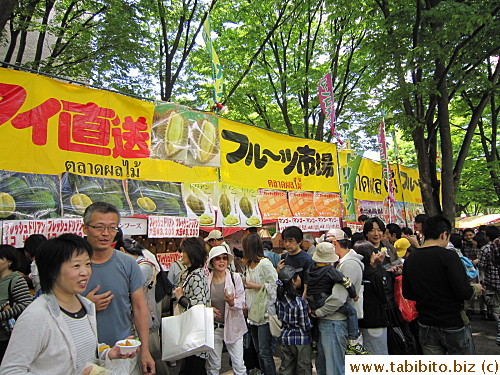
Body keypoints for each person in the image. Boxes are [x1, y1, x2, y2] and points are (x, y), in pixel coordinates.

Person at [0, 234, 136, 375]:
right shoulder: (36, 316)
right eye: (76, 265)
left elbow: (83, 351)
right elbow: (10, 371)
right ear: (52, 270)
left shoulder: (87, 306)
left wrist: (108, 354)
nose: (85, 272)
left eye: (88, 264)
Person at [82, 202, 155, 375]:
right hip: (83, 354)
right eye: (99, 227)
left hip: (123, 352)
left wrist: (145, 351)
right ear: (85, 228)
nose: (106, 233)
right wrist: (86, 304)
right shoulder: (72, 264)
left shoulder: (128, 263)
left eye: (112, 228)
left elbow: (139, 308)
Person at [402, 216, 483, 354]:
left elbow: (408, 293)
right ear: (444, 234)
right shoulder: (449, 256)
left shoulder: (411, 259)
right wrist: (476, 288)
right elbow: (464, 291)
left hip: (426, 323)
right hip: (453, 323)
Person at [306, 241, 368, 355]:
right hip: (324, 300)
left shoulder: (311, 269)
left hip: (313, 301)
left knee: (315, 322)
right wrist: (354, 294)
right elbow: (345, 282)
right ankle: (353, 340)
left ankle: (314, 342)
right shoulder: (331, 271)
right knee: (351, 312)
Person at [120, 238, 167, 375]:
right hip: (142, 322)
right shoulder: (141, 265)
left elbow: (128, 291)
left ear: (123, 251)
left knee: (153, 361)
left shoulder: (142, 267)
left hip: (147, 322)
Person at [206, 246, 247, 375]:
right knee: (214, 366)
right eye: (218, 258)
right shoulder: (206, 280)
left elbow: (243, 301)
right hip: (214, 327)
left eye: (224, 258)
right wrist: (208, 308)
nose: (221, 261)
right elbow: (201, 301)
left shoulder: (235, 278)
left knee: (239, 365)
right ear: (212, 261)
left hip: (234, 326)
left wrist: (232, 302)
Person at [173, 237, 210, 374]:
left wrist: (180, 297)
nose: (181, 254)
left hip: (195, 336)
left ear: (192, 253)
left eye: (183, 251)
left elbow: (198, 307)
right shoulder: (194, 273)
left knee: (193, 369)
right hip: (194, 334)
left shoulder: (196, 276)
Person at [242, 233, 278, 375]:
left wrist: (257, 286)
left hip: (265, 312)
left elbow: (276, 284)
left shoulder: (265, 263)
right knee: (258, 350)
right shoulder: (249, 265)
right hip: (252, 312)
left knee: (264, 351)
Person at [353, 240, 390, 355]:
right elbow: (383, 297)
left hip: (359, 321)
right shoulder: (373, 274)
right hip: (376, 321)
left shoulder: (356, 271)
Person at [275, 265, 312, 375]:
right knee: (303, 368)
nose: (300, 278)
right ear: (293, 281)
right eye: (298, 276)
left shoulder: (279, 300)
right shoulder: (299, 303)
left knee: (286, 367)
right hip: (301, 339)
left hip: (286, 337)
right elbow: (305, 325)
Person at [0, 245, 32, 362]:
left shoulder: (16, 280)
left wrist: (3, 315)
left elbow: (25, 304)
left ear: (9, 261)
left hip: (8, 336)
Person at [478, 226, 500, 340]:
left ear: (487, 236)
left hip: (492, 282)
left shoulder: (486, 248)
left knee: (495, 306)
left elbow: (481, 266)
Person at [277, 226, 313, 296]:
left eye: (291, 241)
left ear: (300, 241)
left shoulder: (307, 259)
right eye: (285, 241)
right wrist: (278, 271)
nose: (287, 244)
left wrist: (303, 301)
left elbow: (307, 285)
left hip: (299, 298)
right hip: (285, 298)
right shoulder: (284, 257)